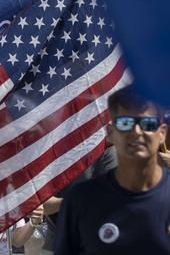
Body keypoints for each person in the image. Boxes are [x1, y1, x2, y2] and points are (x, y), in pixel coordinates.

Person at [55, 86, 170, 253]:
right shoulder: (80, 201)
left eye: (147, 124)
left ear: (162, 133)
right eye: (125, 123)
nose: (137, 132)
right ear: (110, 133)